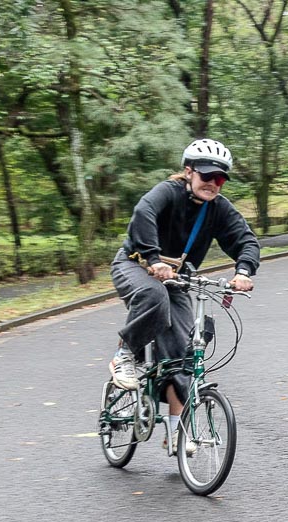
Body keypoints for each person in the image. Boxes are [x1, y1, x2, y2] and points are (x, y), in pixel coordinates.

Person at [109, 138, 260, 452]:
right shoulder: (167, 192)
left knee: (183, 354)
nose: (213, 183)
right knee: (154, 297)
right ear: (189, 171)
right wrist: (153, 259)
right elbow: (143, 214)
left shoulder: (218, 209)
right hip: (135, 263)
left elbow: (245, 239)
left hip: (176, 276)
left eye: (220, 178)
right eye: (207, 176)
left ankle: (177, 433)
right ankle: (125, 353)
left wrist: (244, 271)